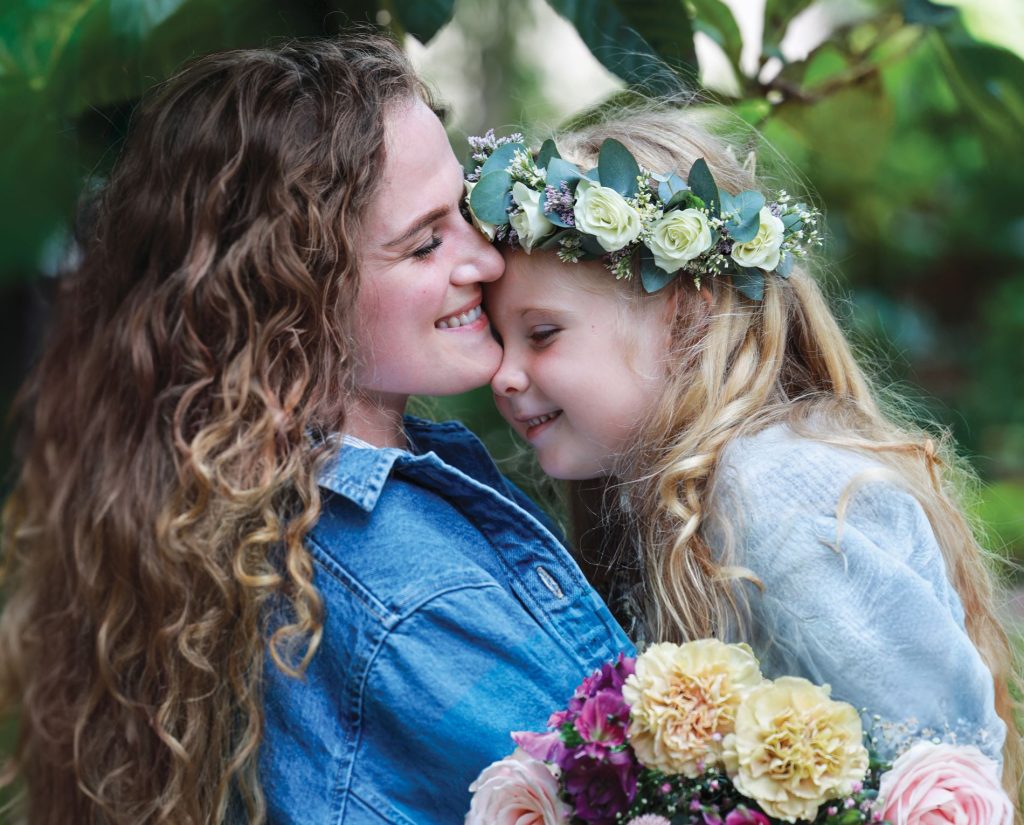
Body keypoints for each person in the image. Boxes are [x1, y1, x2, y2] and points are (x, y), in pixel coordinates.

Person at [0, 36, 632, 824]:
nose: (488, 259)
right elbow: (653, 796)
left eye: (466, 211)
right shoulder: (406, 589)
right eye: (427, 241)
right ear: (293, 294)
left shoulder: (221, 508)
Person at [475, 107, 1021, 798]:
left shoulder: (773, 490)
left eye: (543, 333)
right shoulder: (663, 501)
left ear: (687, 315)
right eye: (498, 338)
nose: (503, 374)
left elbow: (939, 775)